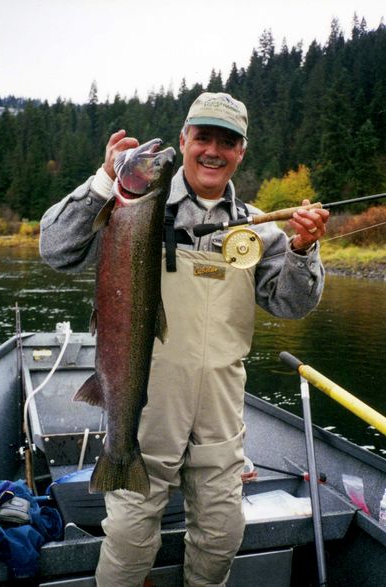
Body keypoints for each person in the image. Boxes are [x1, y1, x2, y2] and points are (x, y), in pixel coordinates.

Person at [40, 92, 329, 586]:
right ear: (184, 140)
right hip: (143, 410)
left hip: (220, 414)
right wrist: (103, 182)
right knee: (129, 542)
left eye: (227, 141)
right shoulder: (127, 205)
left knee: (221, 540)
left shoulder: (260, 229)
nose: (213, 150)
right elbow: (56, 250)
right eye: (202, 137)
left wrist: (304, 249)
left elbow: (292, 304)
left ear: (241, 151)